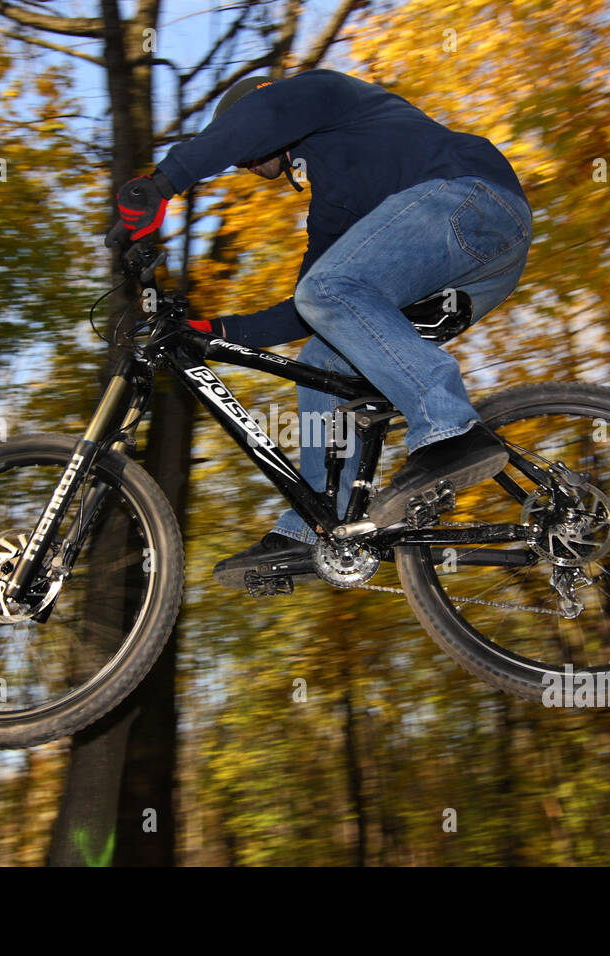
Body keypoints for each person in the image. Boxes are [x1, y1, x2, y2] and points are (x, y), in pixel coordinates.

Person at [107, 69, 533, 589]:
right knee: (320, 360)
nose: (242, 162)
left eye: (243, 147)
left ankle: (449, 429)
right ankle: (317, 524)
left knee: (330, 289)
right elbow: (306, 306)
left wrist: (162, 183)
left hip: (470, 203)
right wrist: (214, 329)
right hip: (478, 268)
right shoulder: (335, 205)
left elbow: (264, 117)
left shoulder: (323, 94)